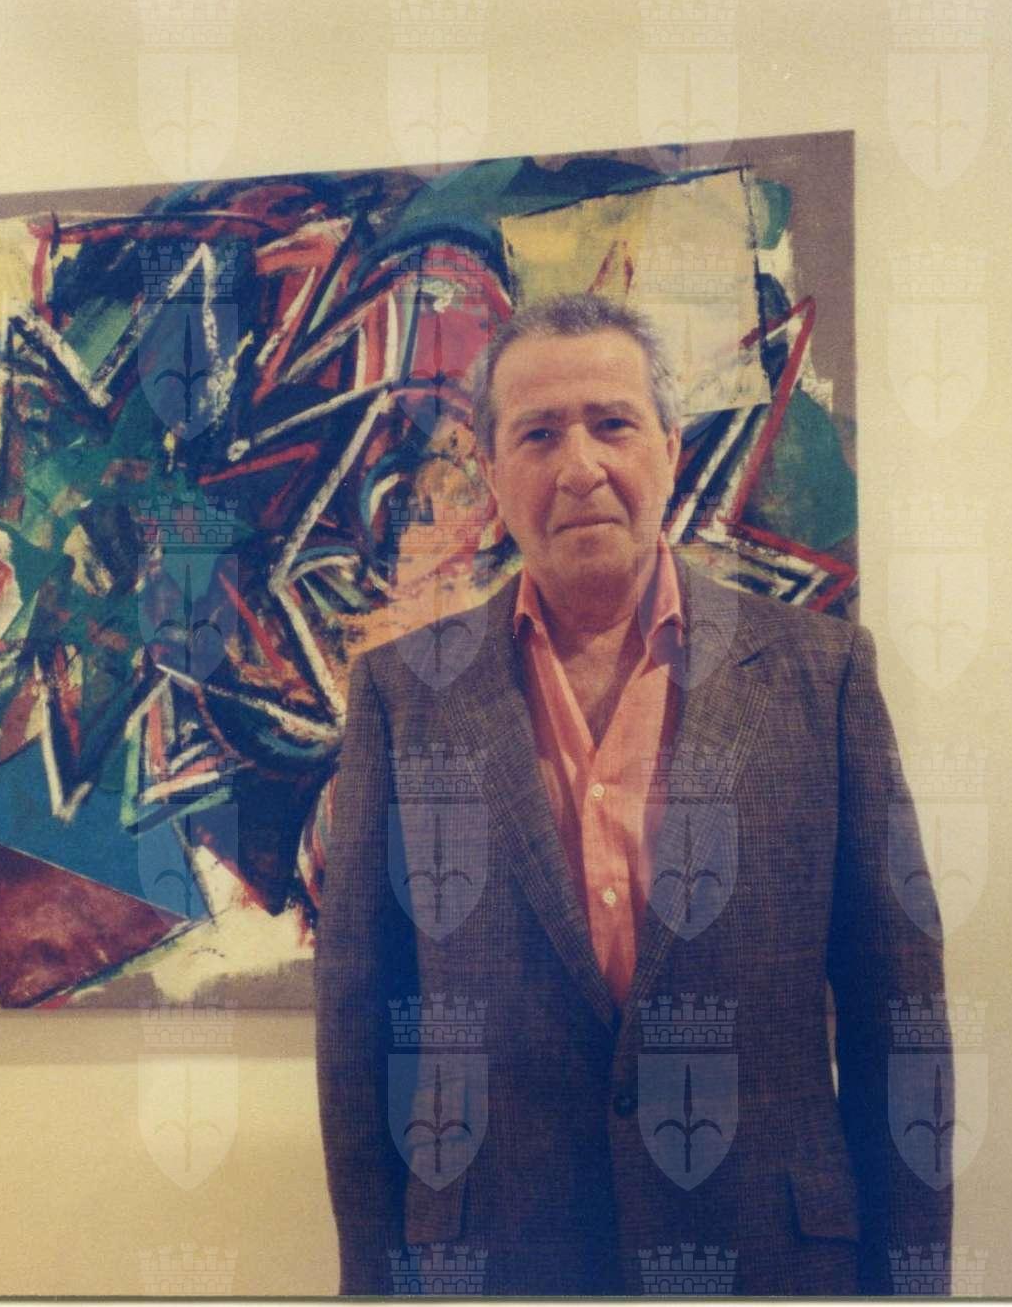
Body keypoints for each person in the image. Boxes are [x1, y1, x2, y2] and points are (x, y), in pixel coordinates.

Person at [311, 292, 952, 1296]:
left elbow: (897, 1014)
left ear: (670, 447)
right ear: (491, 473)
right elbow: (361, 1036)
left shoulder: (820, 675)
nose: (579, 466)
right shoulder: (404, 696)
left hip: (771, 1262)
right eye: (538, 434)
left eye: (611, 423)